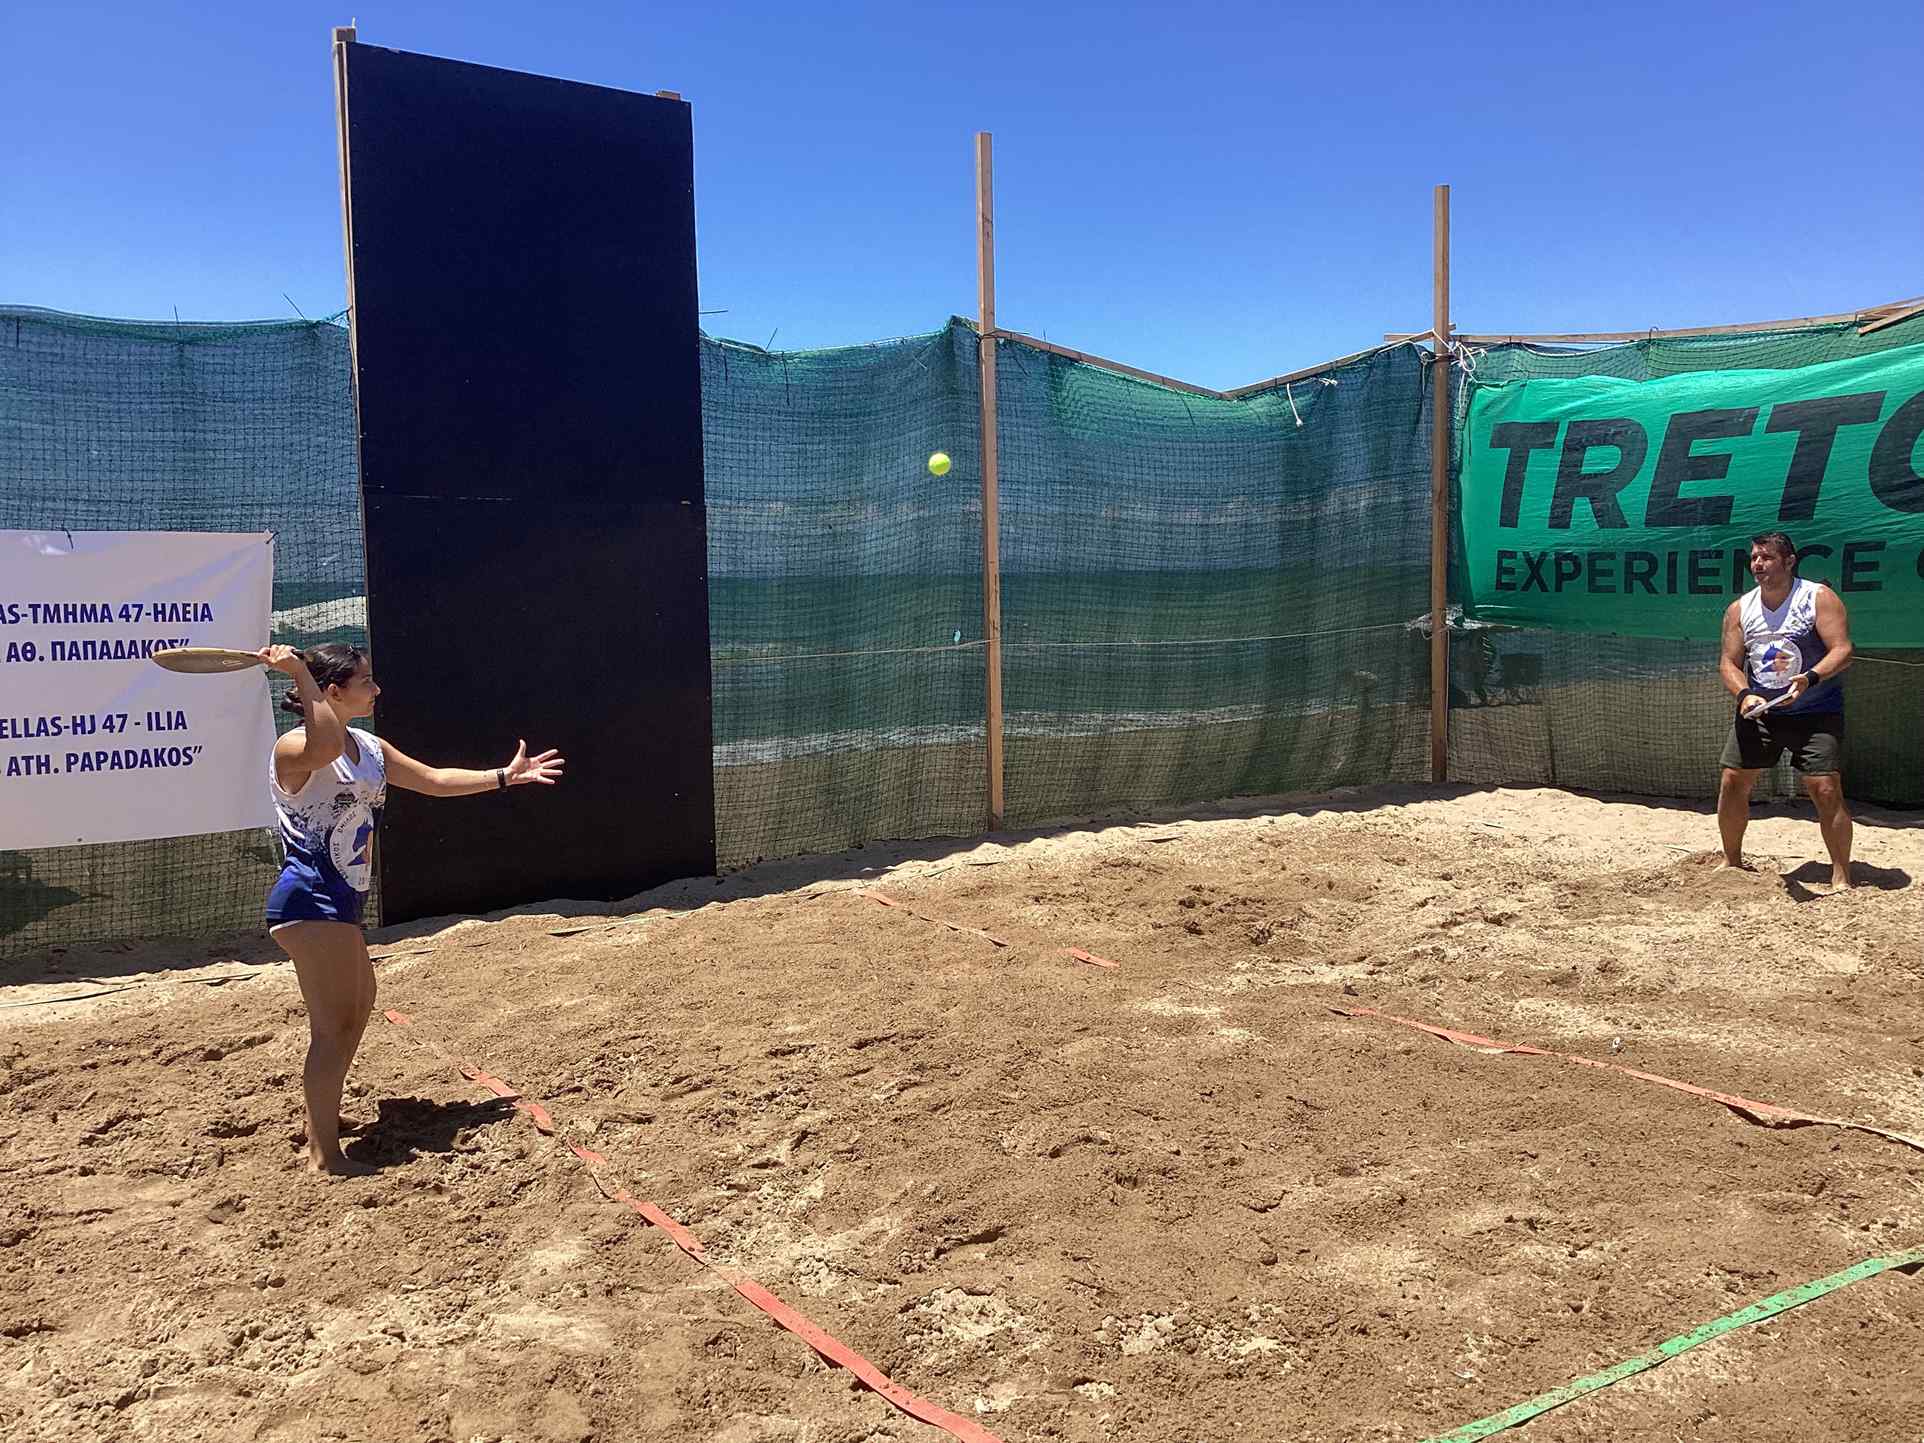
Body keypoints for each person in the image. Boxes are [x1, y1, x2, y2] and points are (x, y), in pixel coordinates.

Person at [258, 642, 565, 1174]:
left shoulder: (367, 747)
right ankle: (324, 1154)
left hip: (340, 902)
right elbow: (323, 746)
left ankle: (323, 1117)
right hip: (308, 899)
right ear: (332, 692)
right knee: (334, 1027)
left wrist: (502, 776)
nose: (376, 689)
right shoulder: (295, 746)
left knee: (357, 1010)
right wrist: (300, 677)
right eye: (365, 681)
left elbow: (434, 780)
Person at [1716, 532, 1854, 888]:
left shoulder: (1817, 597)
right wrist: (1745, 695)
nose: (1757, 564)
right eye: (1754, 558)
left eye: (1766, 557)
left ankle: (1841, 877)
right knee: (1733, 780)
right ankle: (1732, 862)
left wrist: (1809, 678)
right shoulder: (1740, 608)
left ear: (1789, 561)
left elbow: (1842, 650)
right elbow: (1728, 663)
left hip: (1815, 710)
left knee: (1824, 787)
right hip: (1761, 711)